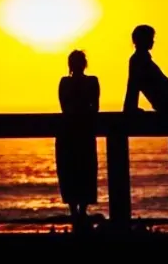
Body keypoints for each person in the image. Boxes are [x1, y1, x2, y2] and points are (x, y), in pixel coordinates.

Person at [55, 50, 100, 224]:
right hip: (85, 132)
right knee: (86, 170)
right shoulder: (92, 81)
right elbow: (94, 107)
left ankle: (75, 212)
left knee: (69, 170)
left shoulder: (64, 82)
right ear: (84, 64)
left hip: (68, 132)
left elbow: (64, 107)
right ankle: (81, 212)